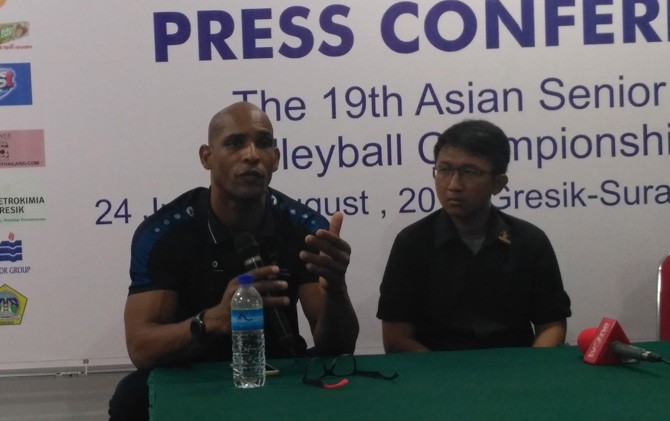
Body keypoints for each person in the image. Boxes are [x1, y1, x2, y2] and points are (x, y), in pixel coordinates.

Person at [109, 101, 359, 419]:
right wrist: (212, 321)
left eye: (263, 143)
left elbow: (337, 349)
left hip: (277, 368)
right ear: (207, 157)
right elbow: (141, 349)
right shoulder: (165, 233)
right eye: (235, 143)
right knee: (131, 397)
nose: (251, 155)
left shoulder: (306, 230)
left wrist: (336, 288)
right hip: (190, 371)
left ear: (276, 158)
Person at [376, 119, 571, 352]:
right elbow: (396, 338)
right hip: (435, 369)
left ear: (498, 183)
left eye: (469, 172)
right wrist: (445, 373)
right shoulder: (412, 243)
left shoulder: (530, 242)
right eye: (444, 170)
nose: (453, 185)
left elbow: (551, 325)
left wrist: (533, 366)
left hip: (515, 368)